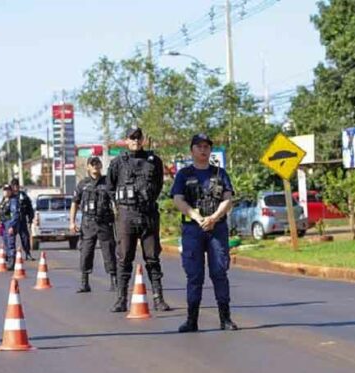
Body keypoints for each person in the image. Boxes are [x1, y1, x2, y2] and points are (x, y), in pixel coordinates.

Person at [171, 133, 238, 332]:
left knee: (219, 272)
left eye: (206, 147)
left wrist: (214, 217)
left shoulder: (220, 173)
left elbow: (227, 199)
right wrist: (197, 217)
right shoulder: (184, 174)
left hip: (216, 228)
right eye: (199, 146)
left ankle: (225, 319)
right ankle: (192, 320)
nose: (203, 150)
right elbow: (178, 199)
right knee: (194, 275)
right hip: (193, 229)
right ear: (192, 150)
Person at [106, 126, 171, 313]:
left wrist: (147, 200)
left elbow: (158, 185)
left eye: (138, 138)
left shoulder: (154, 161)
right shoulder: (118, 162)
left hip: (148, 214)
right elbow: (110, 187)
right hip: (127, 215)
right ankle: (121, 299)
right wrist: (121, 205)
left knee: (152, 257)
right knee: (124, 257)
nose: (135, 141)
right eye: (131, 138)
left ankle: (158, 298)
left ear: (143, 140)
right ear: (126, 140)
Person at [70, 156, 117, 293]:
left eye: (97, 163)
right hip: (88, 223)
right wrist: (72, 222)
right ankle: (85, 283)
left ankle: (114, 281)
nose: (95, 166)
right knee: (85, 252)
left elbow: (116, 202)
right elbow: (75, 203)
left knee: (109, 252)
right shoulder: (82, 184)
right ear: (88, 167)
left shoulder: (108, 182)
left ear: (101, 165)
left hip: (104, 223)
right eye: (92, 164)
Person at [0, 184, 21, 265]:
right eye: (5, 190)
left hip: (9, 223)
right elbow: (0, 211)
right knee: (5, 241)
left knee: (10, 242)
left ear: (11, 191)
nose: (6, 192)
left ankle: (12, 261)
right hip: (3, 223)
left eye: (8, 190)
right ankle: (8, 257)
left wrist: (12, 226)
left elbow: (15, 214)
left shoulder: (13, 201)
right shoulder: (3, 200)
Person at [15, 181, 35, 260]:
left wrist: (30, 220)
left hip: (21, 219)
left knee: (25, 237)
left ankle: (27, 253)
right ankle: (10, 255)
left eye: (17, 186)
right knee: (10, 239)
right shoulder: (9, 196)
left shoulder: (23, 196)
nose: (15, 188)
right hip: (12, 221)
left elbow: (29, 208)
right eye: (14, 186)